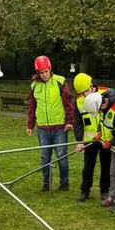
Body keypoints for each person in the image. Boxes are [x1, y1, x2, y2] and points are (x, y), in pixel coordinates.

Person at [26, 55, 74, 192]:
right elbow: (32, 107)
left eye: (46, 71)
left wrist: (69, 122)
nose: (44, 74)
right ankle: (46, 184)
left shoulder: (60, 81)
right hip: (42, 128)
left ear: (50, 69)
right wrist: (30, 125)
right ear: (37, 73)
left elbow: (68, 103)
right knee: (45, 156)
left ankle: (64, 183)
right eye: (41, 72)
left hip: (60, 127)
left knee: (61, 156)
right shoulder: (34, 85)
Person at [71, 73, 111, 203]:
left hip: (105, 138)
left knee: (106, 165)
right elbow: (77, 122)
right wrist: (79, 141)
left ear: (91, 85)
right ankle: (85, 191)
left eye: (86, 91)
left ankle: (105, 191)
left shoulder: (106, 94)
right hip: (89, 139)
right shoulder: (78, 101)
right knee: (88, 165)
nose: (84, 95)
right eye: (82, 93)